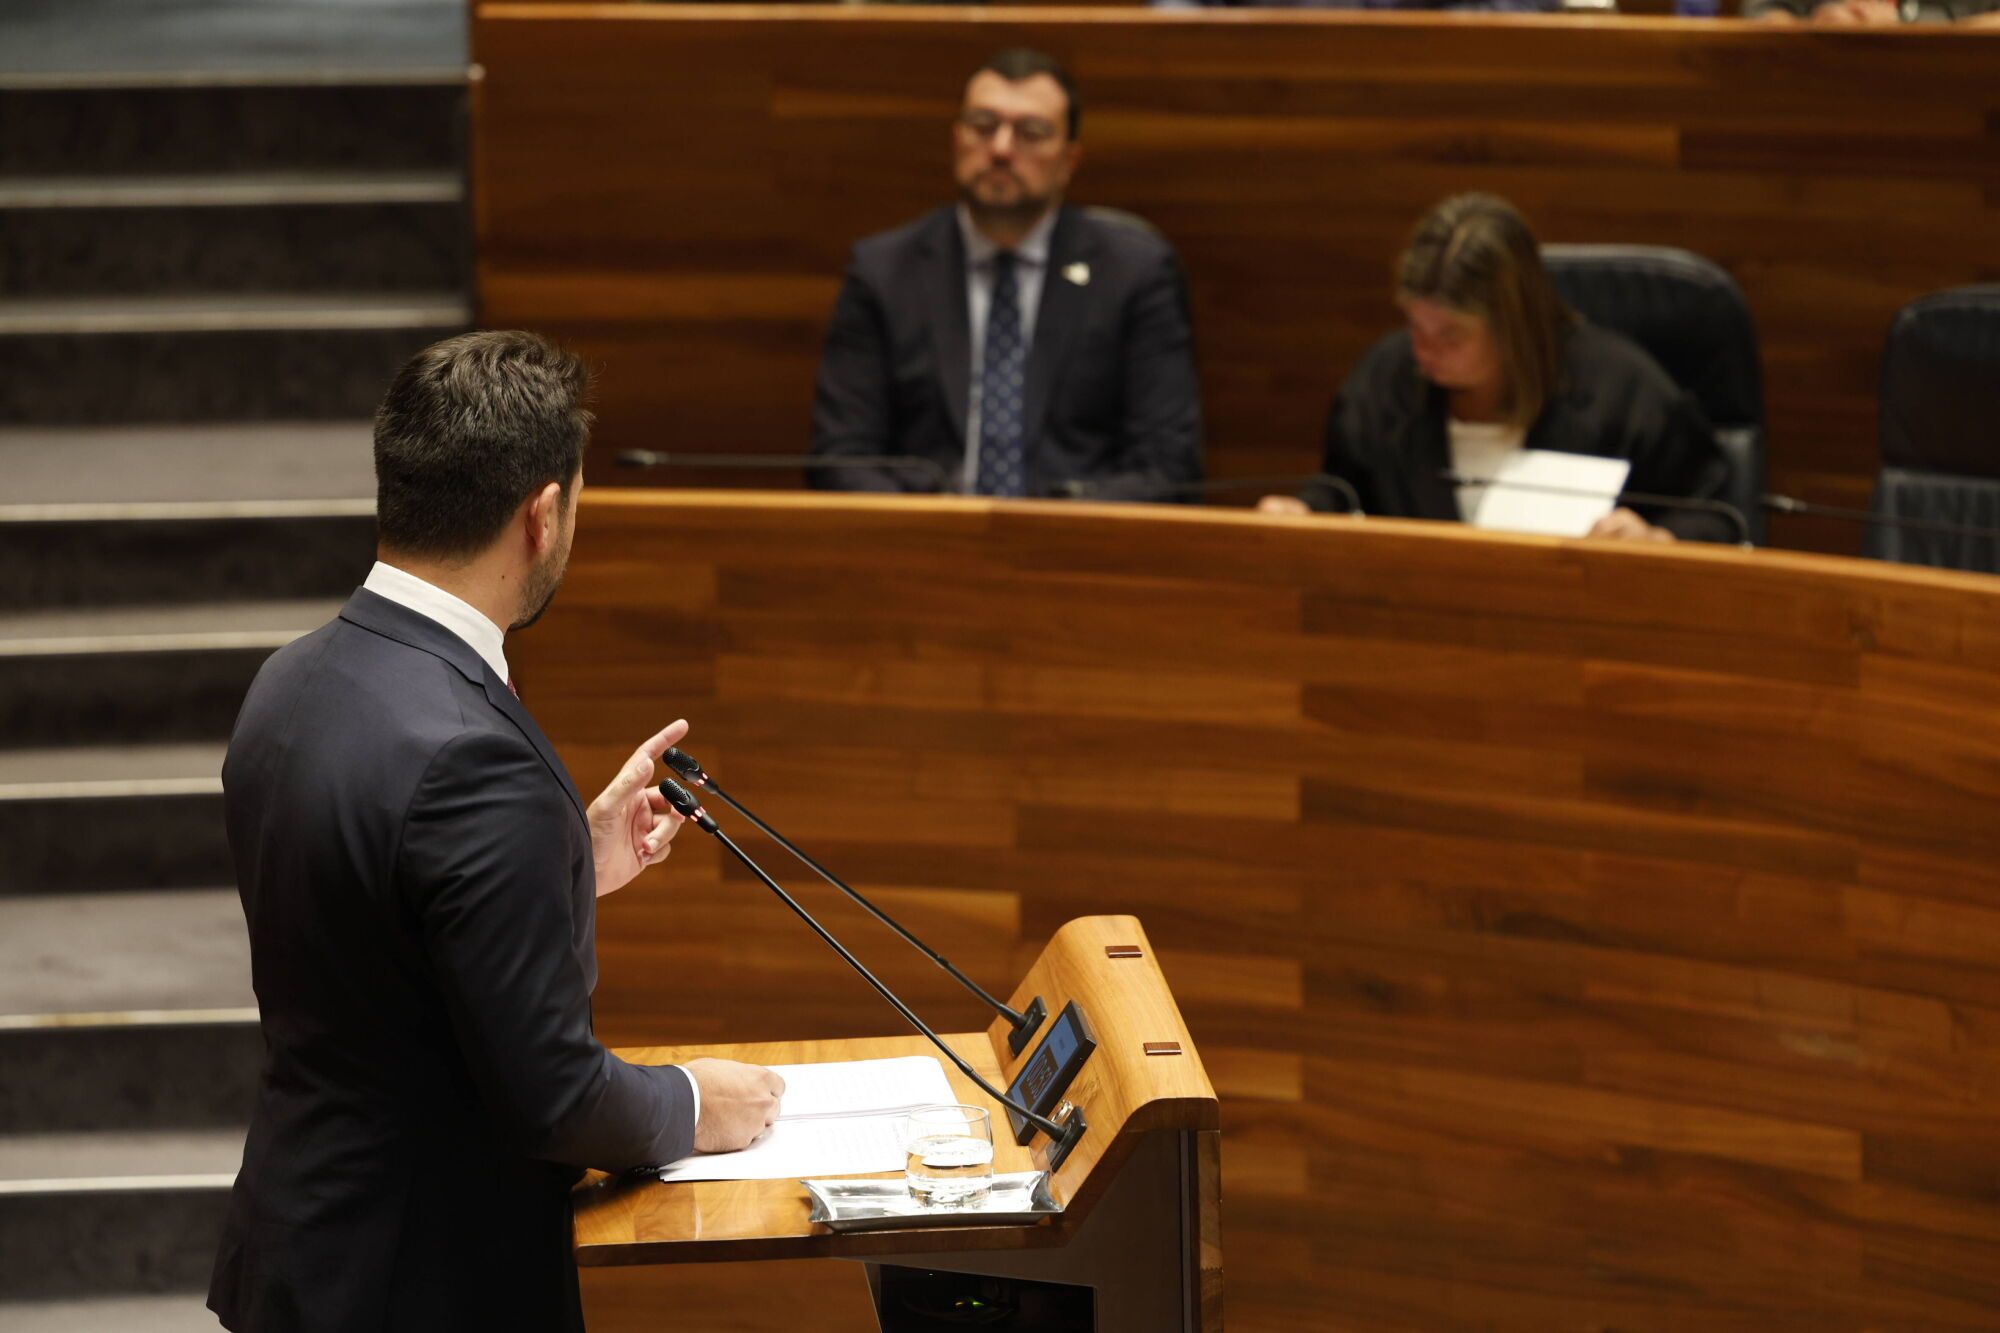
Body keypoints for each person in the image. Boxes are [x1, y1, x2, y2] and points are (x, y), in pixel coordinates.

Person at [209, 331, 784, 1333]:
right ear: (543, 512)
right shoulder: (473, 754)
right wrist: (696, 1103)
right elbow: (552, 1099)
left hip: (301, 1249)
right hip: (424, 1283)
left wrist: (568, 859)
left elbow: (372, 926)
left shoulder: (290, 681)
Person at [809, 48, 1203, 502]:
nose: (1000, 148)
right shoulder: (883, 271)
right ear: (956, 138)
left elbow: (1168, 466)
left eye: (1031, 133)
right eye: (982, 125)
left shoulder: (1134, 273)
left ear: (1069, 160)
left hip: (1077, 550)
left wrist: (1044, 533)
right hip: (923, 548)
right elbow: (840, 458)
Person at [1260, 194, 1733, 542]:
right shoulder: (1386, 380)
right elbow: (1345, 494)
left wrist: (1655, 538)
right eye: (1415, 326)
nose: (1423, 350)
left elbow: (1719, 518)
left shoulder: (1624, 390)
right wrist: (1304, 511)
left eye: (1450, 335)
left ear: (1514, 327)